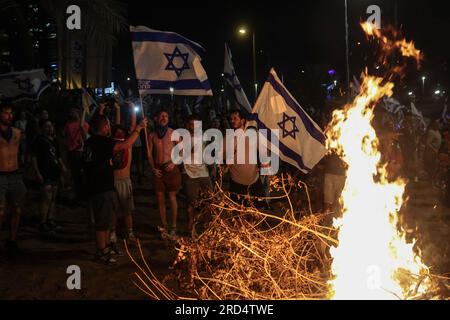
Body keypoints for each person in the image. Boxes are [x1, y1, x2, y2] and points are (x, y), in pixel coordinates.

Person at [83, 113, 147, 264]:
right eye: (108, 124)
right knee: (102, 223)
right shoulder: (101, 141)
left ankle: (106, 247)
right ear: (104, 126)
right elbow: (124, 145)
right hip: (102, 187)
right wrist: (138, 128)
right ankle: (101, 251)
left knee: (105, 221)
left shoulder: (90, 142)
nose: (110, 127)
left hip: (98, 185)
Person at [148, 110, 181, 237]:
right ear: (156, 118)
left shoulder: (174, 133)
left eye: (166, 116)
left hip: (171, 167)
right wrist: (152, 168)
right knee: (160, 198)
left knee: (172, 197)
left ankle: (173, 226)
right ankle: (164, 226)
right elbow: (149, 154)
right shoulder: (152, 135)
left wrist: (174, 162)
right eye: (161, 116)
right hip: (158, 169)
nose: (164, 118)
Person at [110, 100, 138, 245]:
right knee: (113, 210)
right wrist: (118, 110)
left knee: (127, 211)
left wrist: (133, 109)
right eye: (117, 131)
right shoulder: (111, 144)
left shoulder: (128, 144)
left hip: (125, 181)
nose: (120, 132)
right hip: (113, 181)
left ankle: (130, 233)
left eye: (122, 131)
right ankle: (113, 233)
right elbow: (116, 125)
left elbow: (133, 127)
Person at [0, 102, 27, 252]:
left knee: (17, 209)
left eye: (11, 113)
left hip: (15, 174)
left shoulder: (17, 132)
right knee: (1, 210)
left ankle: (12, 239)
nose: (9, 116)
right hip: (1, 175)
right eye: (6, 113)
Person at [31, 120, 66, 232]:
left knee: (53, 198)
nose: (49, 128)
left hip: (55, 171)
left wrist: (62, 167)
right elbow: (34, 157)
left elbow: (58, 156)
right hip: (45, 171)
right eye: (46, 126)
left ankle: (50, 219)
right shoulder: (39, 140)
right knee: (46, 197)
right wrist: (37, 172)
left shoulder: (55, 140)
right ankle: (42, 221)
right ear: (42, 128)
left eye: (51, 126)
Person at [181, 115, 212, 233]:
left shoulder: (204, 135)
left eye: (197, 124)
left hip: (203, 172)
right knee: (192, 202)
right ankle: (191, 227)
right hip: (189, 173)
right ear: (187, 125)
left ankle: (207, 226)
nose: (194, 127)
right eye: (192, 124)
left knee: (209, 200)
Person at [225, 110, 264, 201]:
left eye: (235, 118)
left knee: (256, 211)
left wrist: (263, 164)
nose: (232, 121)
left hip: (253, 180)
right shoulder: (230, 138)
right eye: (231, 119)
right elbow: (228, 160)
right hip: (236, 181)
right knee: (238, 211)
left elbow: (263, 151)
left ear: (242, 120)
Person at [64, 108, 89, 202]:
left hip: (79, 151)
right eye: (71, 113)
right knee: (74, 174)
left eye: (73, 113)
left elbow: (86, 137)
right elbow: (66, 136)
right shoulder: (68, 124)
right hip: (71, 151)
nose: (72, 114)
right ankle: (77, 194)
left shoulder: (84, 125)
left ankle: (81, 195)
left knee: (80, 174)